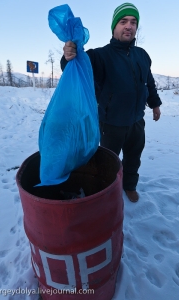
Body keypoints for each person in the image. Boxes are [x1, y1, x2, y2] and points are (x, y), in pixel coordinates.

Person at [60, 3, 162, 202]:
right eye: (123, 21)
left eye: (133, 22)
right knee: (107, 163)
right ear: (114, 27)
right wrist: (68, 56)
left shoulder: (142, 55)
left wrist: (155, 104)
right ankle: (104, 191)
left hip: (136, 123)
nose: (129, 26)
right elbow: (76, 65)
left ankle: (129, 185)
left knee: (133, 159)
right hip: (110, 124)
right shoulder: (100, 56)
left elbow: (148, 82)